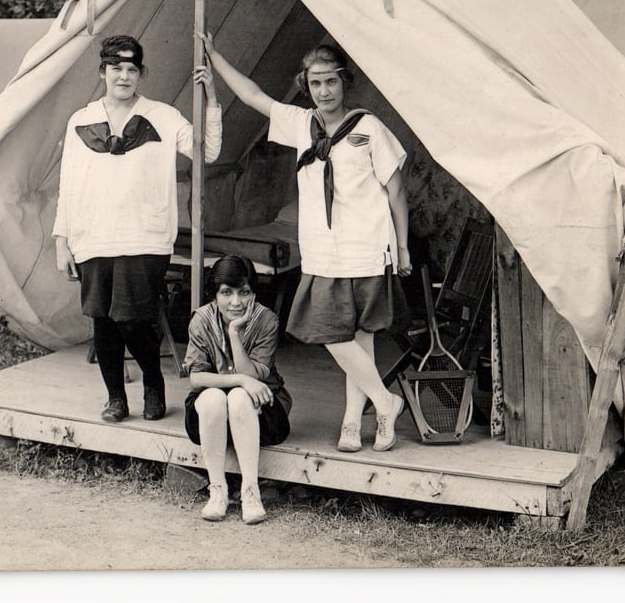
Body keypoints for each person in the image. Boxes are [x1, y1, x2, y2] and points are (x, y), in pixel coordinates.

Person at [197, 33, 411, 453]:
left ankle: (354, 422)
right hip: (324, 251)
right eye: (315, 83)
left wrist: (402, 247)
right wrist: (215, 59)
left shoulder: (368, 128)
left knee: (362, 337)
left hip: (368, 245)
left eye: (331, 81)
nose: (324, 91)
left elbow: (397, 190)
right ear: (306, 85)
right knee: (330, 331)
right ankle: (387, 402)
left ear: (344, 82)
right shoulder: (301, 124)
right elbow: (254, 94)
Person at [53, 35, 221, 423]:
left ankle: (152, 383)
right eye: (116, 69)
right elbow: (69, 185)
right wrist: (62, 241)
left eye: (132, 69)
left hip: (144, 236)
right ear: (103, 72)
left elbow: (207, 151)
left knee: (133, 318)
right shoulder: (80, 120)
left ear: (141, 73)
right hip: (92, 237)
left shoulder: (163, 116)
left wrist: (211, 98)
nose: (124, 77)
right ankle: (115, 398)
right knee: (103, 321)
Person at [183, 255, 291, 524]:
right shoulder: (201, 320)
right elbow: (196, 378)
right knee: (212, 397)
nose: (236, 302)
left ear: (253, 293)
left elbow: (252, 375)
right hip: (211, 420)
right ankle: (217, 490)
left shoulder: (267, 320)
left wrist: (234, 333)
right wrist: (241, 381)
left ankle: (250, 491)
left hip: (262, 418)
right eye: (226, 293)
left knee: (241, 398)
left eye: (244, 292)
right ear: (214, 294)